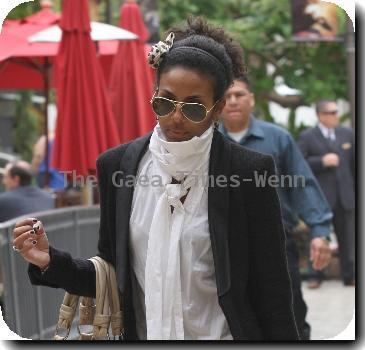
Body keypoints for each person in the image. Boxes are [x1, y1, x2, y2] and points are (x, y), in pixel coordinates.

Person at [12, 17, 299, 340]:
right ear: (154, 93)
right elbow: (114, 274)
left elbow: (272, 288)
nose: (175, 117)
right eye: (164, 102)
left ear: (217, 108)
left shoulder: (248, 171)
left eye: (193, 108)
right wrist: (51, 261)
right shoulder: (118, 166)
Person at [219, 76, 332, 340]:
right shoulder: (208, 142)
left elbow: (302, 182)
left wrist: (319, 230)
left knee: (290, 313)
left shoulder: (277, 139)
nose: (234, 101)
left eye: (240, 95)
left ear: (252, 99)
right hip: (225, 247)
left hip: (279, 244)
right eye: (228, 96)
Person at [298, 100, 355, 287]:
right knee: (319, 236)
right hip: (321, 197)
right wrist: (322, 161)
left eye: (337, 111)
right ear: (321, 116)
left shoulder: (348, 134)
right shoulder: (307, 136)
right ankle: (315, 276)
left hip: (345, 196)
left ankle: (350, 275)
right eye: (333, 112)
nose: (337, 115)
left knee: (348, 238)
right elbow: (299, 163)